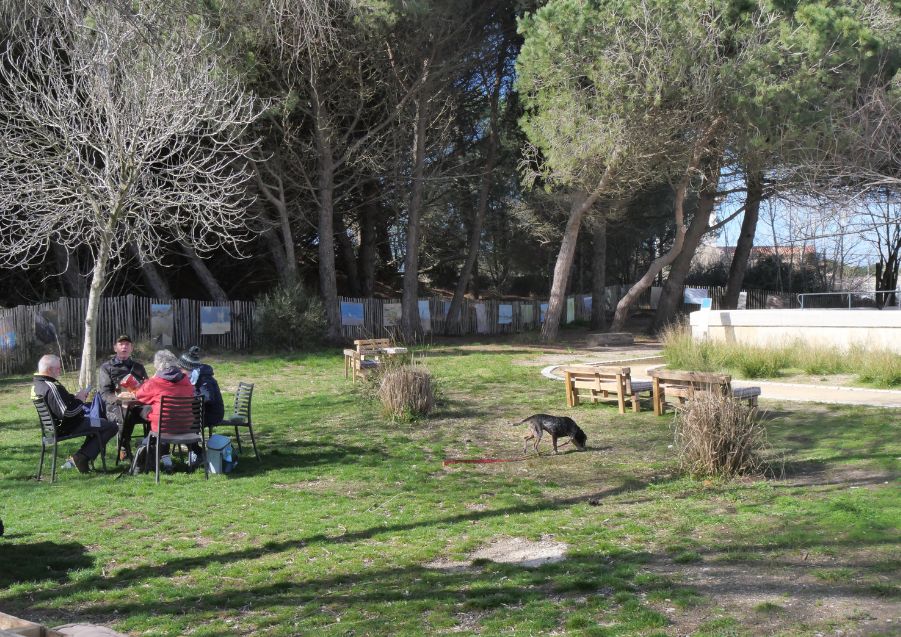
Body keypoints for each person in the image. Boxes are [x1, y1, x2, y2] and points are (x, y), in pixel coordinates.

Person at [32, 354, 118, 473]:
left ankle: (80, 457)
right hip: (70, 426)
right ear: (50, 370)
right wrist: (80, 401)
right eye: (58, 368)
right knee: (111, 426)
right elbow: (67, 413)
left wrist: (75, 397)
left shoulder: (39, 384)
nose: (60, 371)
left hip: (57, 427)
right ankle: (81, 457)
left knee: (100, 424)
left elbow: (61, 403)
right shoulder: (50, 386)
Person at [135, 349, 197, 472]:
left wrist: (152, 378)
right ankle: (164, 458)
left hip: (163, 428)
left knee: (147, 413)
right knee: (156, 414)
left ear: (157, 366)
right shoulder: (186, 380)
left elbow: (139, 395)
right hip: (185, 427)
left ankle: (149, 457)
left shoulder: (155, 382)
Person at [98, 334, 149, 461]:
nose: (124, 347)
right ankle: (124, 447)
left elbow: (148, 388)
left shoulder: (139, 367)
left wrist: (139, 393)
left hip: (137, 404)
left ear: (132, 348)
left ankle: (150, 447)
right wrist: (119, 398)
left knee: (153, 411)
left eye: (127, 344)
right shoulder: (106, 367)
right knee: (126, 413)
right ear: (115, 348)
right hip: (115, 406)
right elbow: (104, 393)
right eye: (121, 344)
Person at [178, 346, 224, 428]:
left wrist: (189, 398)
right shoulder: (192, 377)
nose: (179, 370)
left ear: (189, 368)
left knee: (183, 421)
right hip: (199, 412)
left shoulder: (204, 378)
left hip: (211, 415)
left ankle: (191, 439)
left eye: (181, 368)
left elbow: (207, 398)